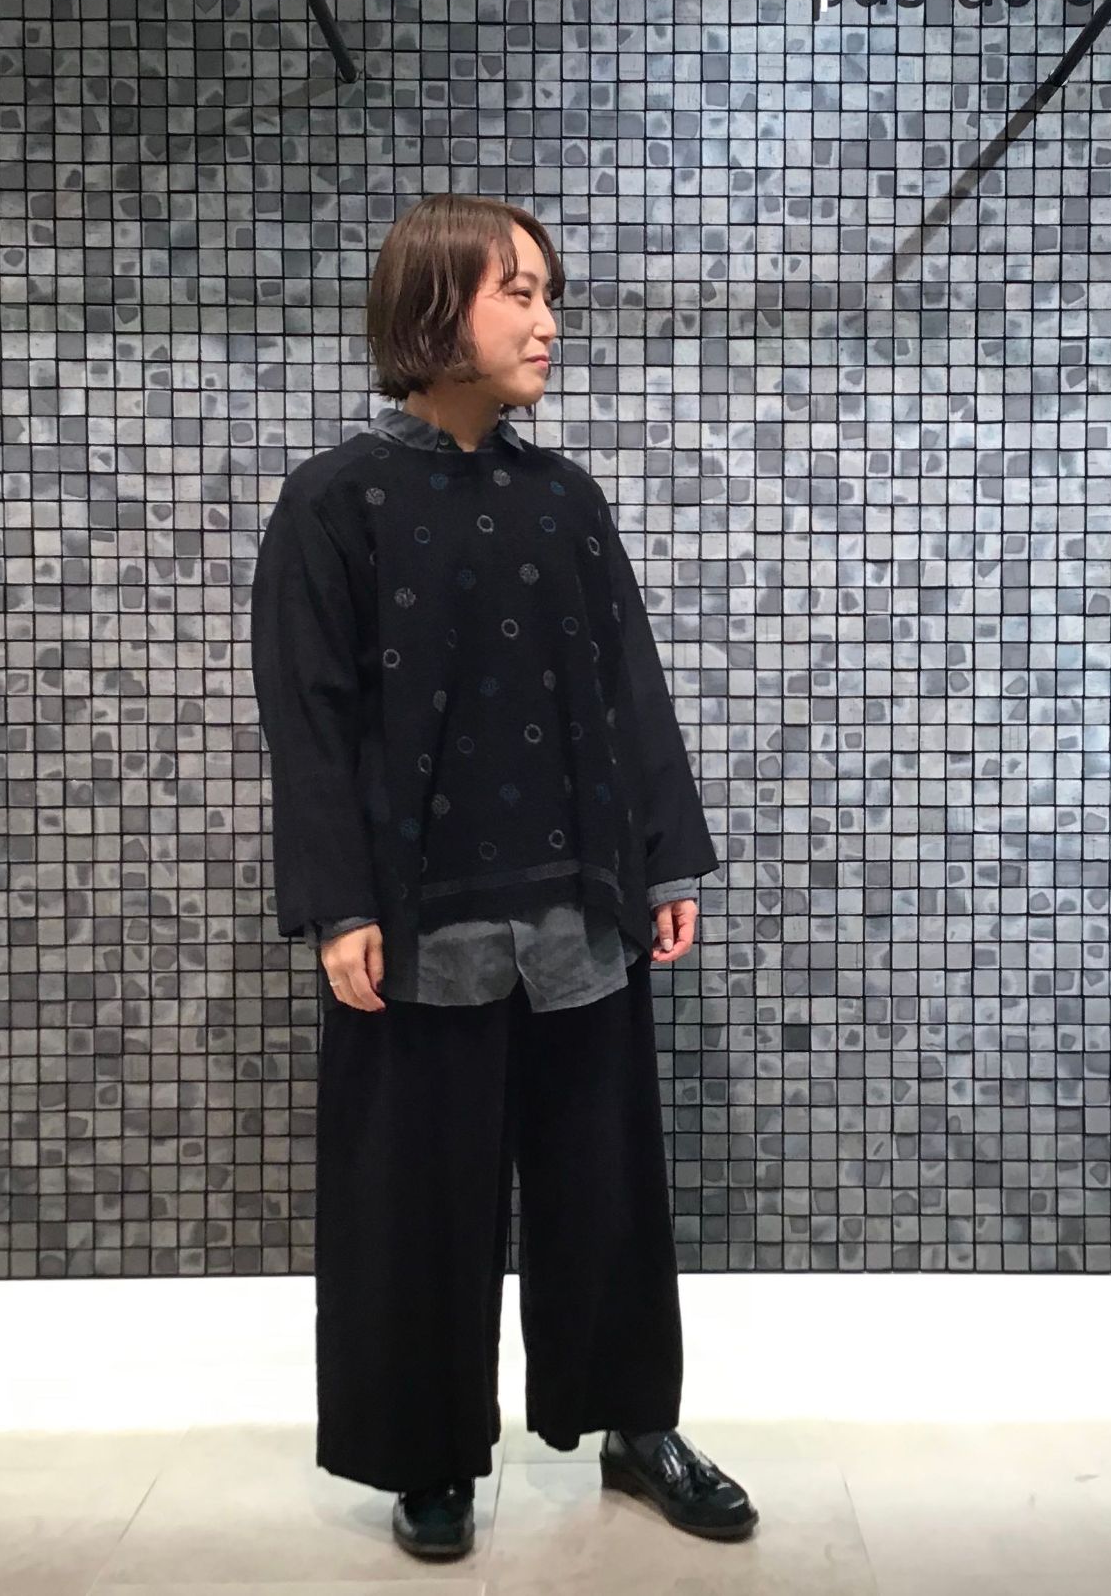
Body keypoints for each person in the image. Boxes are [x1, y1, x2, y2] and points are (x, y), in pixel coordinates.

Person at [250, 193, 758, 1560]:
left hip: (577, 903)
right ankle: (426, 1453)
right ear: (433, 310)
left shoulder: (564, 500)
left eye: (548, 296)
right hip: (419, 918)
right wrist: (338, 904)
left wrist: (665, 856)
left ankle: (636, 1426)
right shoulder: (334, 503)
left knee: (608, 1186)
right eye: (516, 294)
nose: (546, 323)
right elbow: (310, 718)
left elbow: (628, 685)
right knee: (416, 1200)